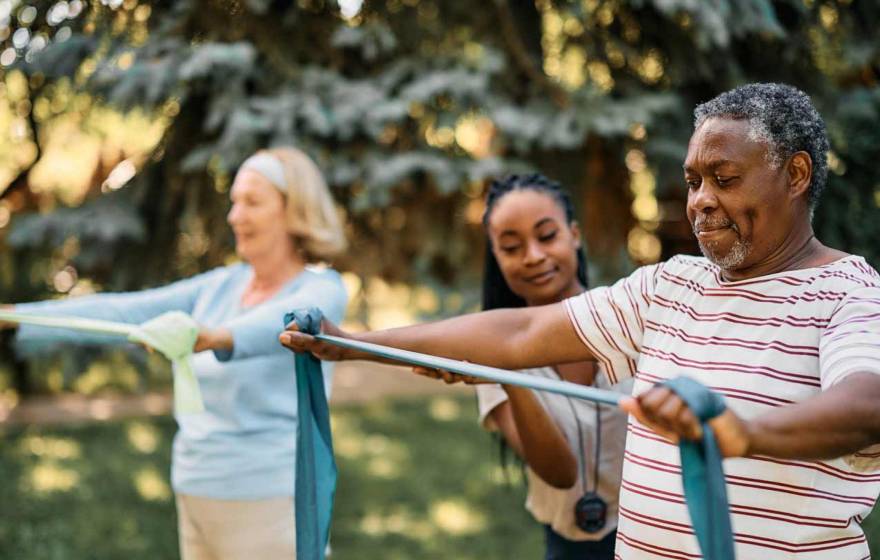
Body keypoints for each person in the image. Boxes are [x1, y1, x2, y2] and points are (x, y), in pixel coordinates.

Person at [281, 83, 880, 559]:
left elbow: (866, 405)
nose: (698, 200)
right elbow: (519, 331)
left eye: (724, 179)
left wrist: (743, 431)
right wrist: (355, 344)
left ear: (797, 175)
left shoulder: (850, 292)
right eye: (694, 181)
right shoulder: (669, 284)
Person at [3, 147, 348, 560]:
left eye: (253, 202)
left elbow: (291, 322)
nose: (235, 216)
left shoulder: (321, 287)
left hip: (272, 502)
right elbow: (123, 310)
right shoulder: (219, 287)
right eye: (235, 201)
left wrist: (218, 336)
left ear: (295, 212)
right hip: (195, 492)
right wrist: (15, 317)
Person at [415, 173, 628, 559]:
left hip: (657, 531)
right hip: (568, 546)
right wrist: (507, 374)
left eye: (547, 236)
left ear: (574, 235)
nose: (533, 256)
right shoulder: (490, 354)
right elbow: (560, 473)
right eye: (511, 247)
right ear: (496, 257)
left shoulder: (626, 318)